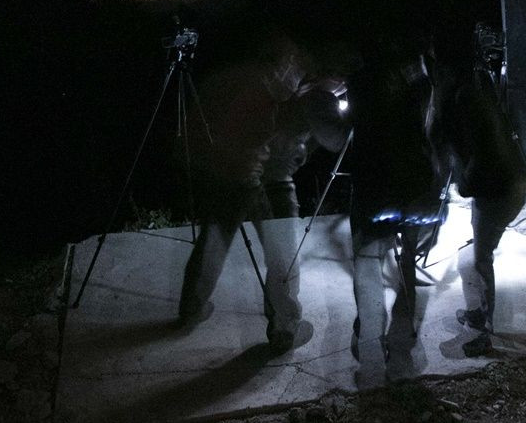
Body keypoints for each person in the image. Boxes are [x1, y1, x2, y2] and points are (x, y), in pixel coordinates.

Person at [177, 32, 346, 354]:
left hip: (230, 171)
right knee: (282, 255)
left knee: (214, 238)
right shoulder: (282, 82)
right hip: (267, 178)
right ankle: (284, 328)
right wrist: (325, 101)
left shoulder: (250, 77)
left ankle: (191, 308)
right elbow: (325, 136)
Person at [343, 32, 447, 383]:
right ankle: (402, 338)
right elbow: (427, 122)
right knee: (406, 261)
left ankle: (370, 336)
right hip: (414, 178)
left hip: (374, 182)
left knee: (369, 261)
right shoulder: (418, 78)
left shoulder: (358, 82)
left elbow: (353, 127)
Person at [439, 24, 526, 357]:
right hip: (508, 183)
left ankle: (485, 330)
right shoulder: (475, 91)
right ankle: (479, 315)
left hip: (501, 187)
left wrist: (465, 180)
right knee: (473, 256)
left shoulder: (464, 97)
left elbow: (481, 148)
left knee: (479, 260)